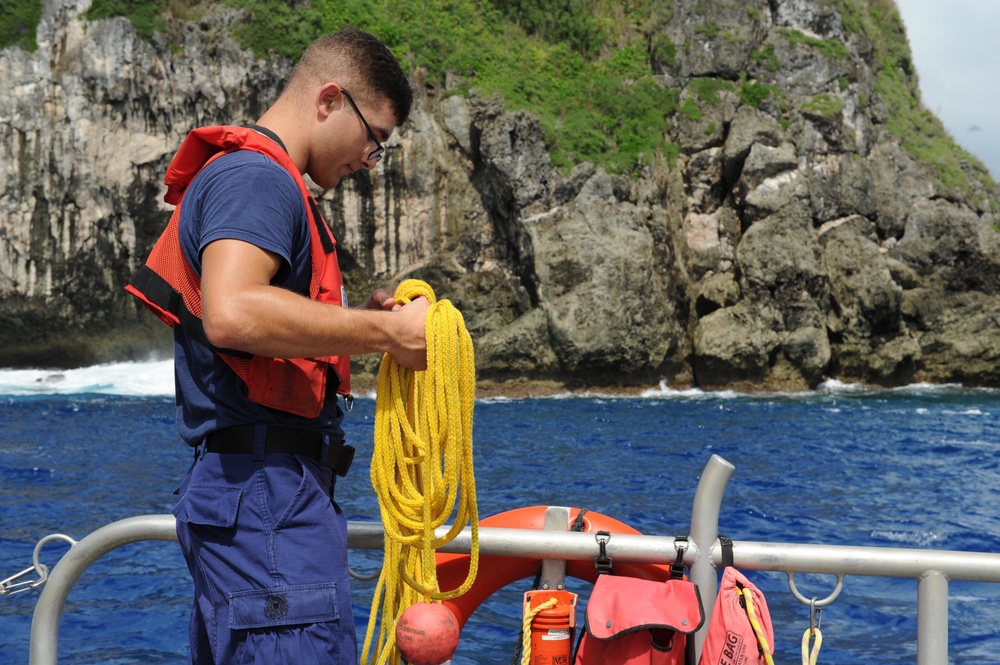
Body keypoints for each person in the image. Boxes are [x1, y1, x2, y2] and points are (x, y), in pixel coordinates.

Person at [125, 27, 426, 664]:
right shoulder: (257, 181)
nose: (371, 162)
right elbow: (233, 314)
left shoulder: (258, 179)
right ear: (329, 101)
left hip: (261, 495)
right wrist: (387, 334)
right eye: (374, 139)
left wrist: (355, 319)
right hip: (267, 499)